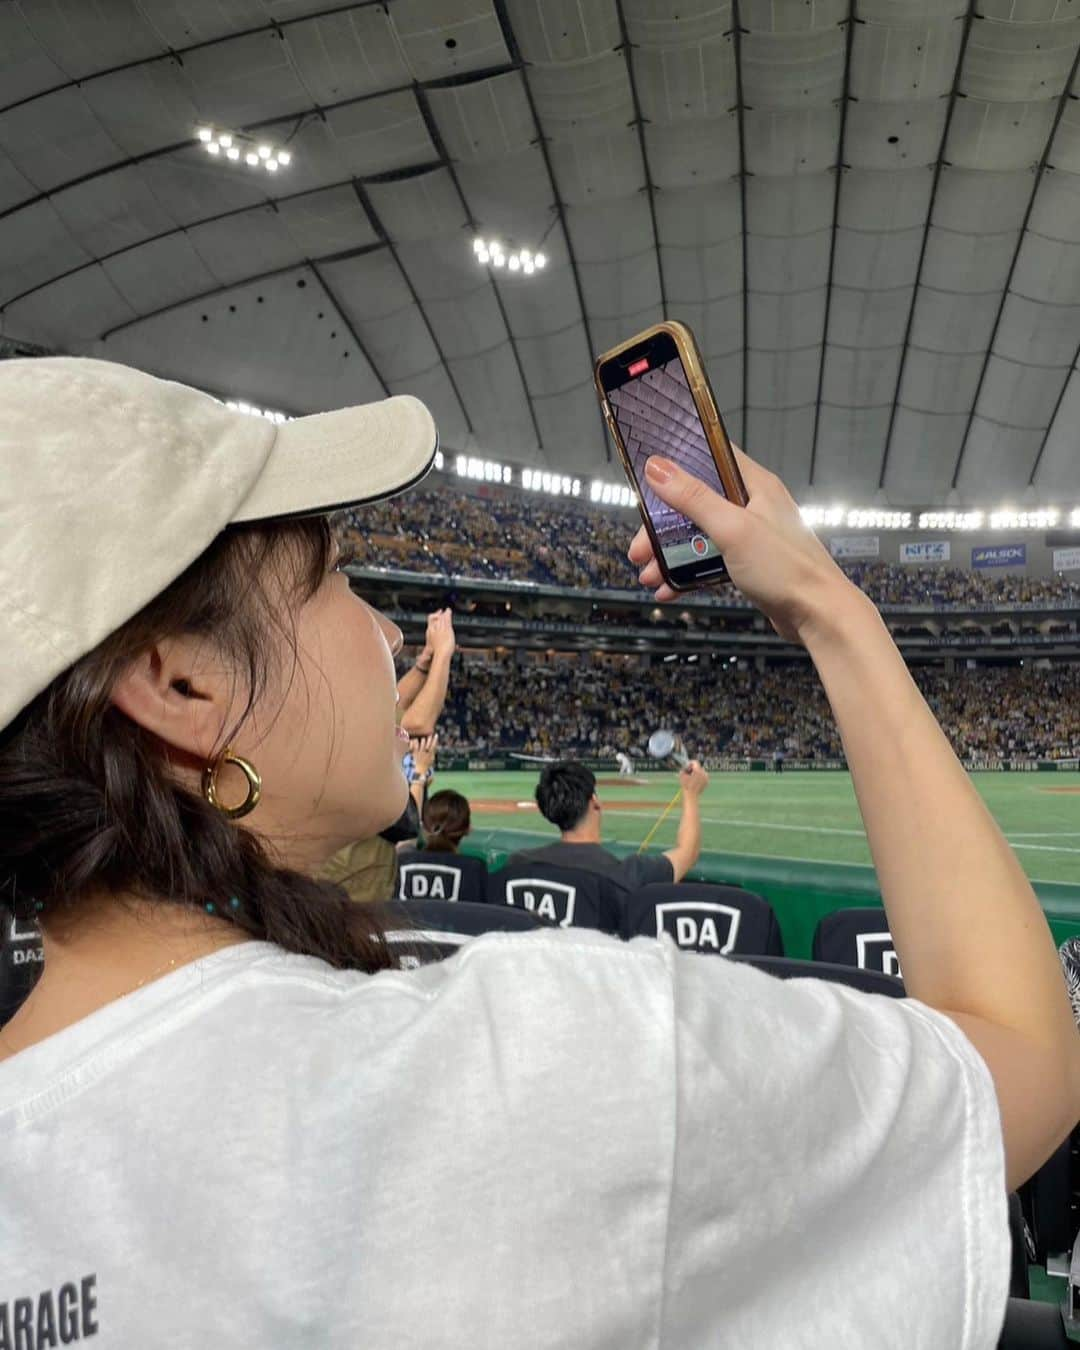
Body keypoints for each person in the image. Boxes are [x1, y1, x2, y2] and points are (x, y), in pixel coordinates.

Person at [2, 358, 1077, 1347]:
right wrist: (830, 606)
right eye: (332, 576)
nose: (385, 635)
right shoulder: (533, 1059)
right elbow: (1022, 1061)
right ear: (181, 683)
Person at [319, 614, 454, 900]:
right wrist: (444, 653)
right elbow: (417, 724)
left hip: (333, 873)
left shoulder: (336, 698)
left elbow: (395, 702)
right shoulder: (351, 718)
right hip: (356, 883)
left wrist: (423, 664)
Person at [508, 759, 708, 899]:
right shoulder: (626, 874)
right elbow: (688, 852)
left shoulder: (518, 863)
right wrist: (690, 793)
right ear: (594, 801)